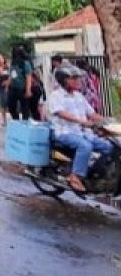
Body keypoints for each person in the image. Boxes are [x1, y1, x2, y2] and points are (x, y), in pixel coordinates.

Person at [48, 65, 117, 193]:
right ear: (64, 80)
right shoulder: (56, 95)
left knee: (110, 147)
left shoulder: (79, 96)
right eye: (74, 78)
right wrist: (81, 121)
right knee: (85, 146)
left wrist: (107, 121)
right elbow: (60, 113)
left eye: (78, 78)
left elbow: (91, 114)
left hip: (82, 133)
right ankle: (75, 176)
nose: (78, 81)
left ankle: (96, 174)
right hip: (64, 132)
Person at [6, 45, 36, 122]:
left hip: (22, 88)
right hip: (13, 88)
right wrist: (7, 85)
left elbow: (28, 78)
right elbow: (11, 75)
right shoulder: (12, 63)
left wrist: (28, 90)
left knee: (24, 107)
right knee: (11, 106)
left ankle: (25, 122)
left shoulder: (25, 64)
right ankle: (16, 120)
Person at [0, 53, 10, 126]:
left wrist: (7, 83)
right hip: (0, 87)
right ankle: (4, 120)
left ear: (4, 59)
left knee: (8, 102)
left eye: (1, 58)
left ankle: (11, 118)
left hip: (8, 87)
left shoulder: (8, 67)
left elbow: (11, 76)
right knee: (2, 103)